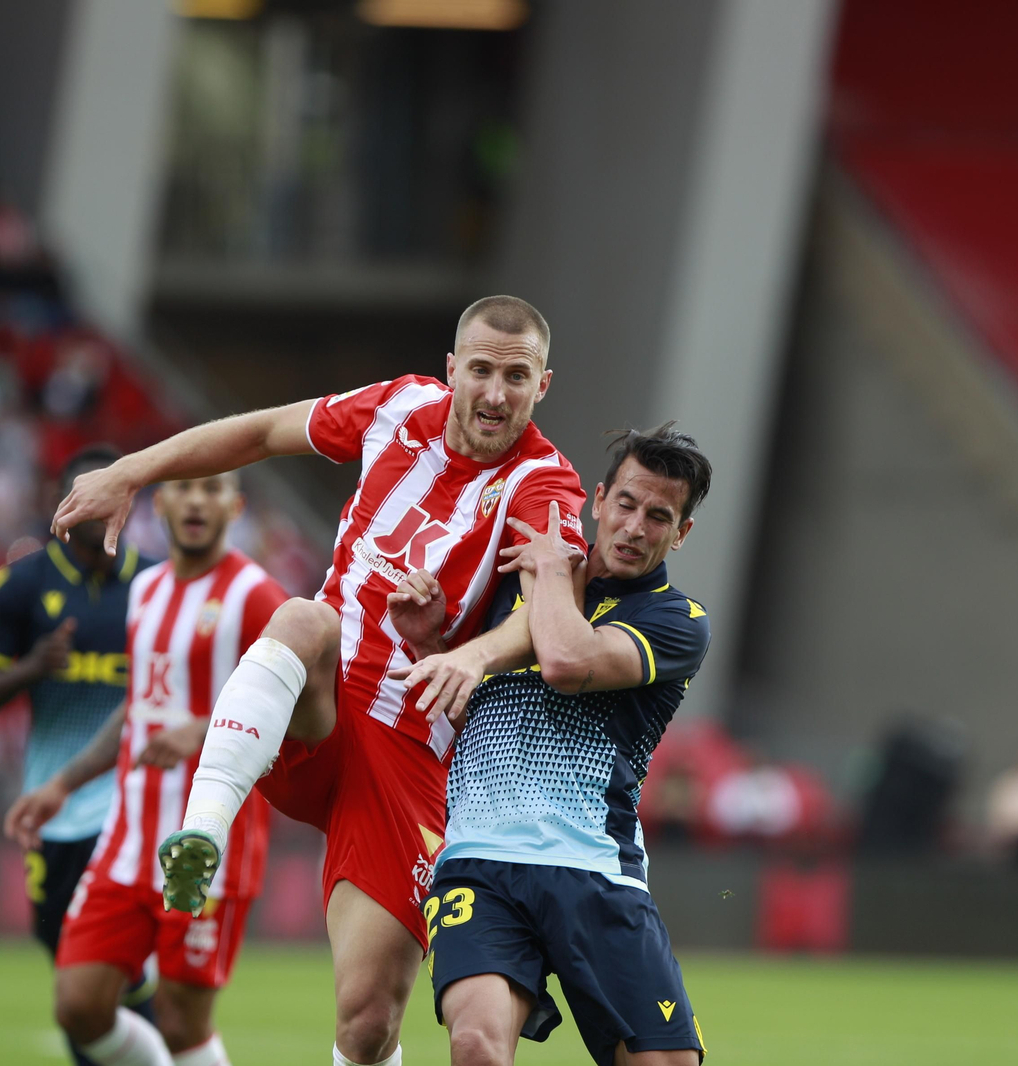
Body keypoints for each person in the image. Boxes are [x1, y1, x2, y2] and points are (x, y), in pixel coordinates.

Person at [53, 295, 589, 1066]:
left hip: (410, 746)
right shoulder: (398, 407)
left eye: (516, 375)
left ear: (542, 385)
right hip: (321, 698)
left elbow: (549, 610)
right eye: (480, 370)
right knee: (305, 619)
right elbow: (263, 431)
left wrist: (470, 654)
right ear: (452, 369)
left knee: (367, 1021)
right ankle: (203, 828)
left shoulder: (545, 483)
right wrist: (130, 472)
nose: (495, 393)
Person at [407, 424, 713, 1066]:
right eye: (626, 504)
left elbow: (567, 663)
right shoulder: (502, 585)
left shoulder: (675, 621)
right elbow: (470, 695)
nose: (634, 527)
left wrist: (549, 574)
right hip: (479, 862)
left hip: (596, 868)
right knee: (475, 1045)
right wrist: (436, 641)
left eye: (659, 516)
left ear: (681, 532)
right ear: (598, 501)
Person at [8, 472, 288, 1066]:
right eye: (184, 488)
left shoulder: (255, 596)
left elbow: (306, 712)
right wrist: (62, 784)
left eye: (212, 489)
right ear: (158, 503)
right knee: (78, 1005)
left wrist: (207, 727)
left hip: (206, 846)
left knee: (183, 1022)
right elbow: (137, 708)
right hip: (127, 841)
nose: (196, 500)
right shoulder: (146, 590)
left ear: (234, 507)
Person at [0, 444, 157, 1066]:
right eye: (84, 496)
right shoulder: (23, 585)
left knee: (119, 965)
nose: (97, 510)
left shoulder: (156, 586)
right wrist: (32, 668)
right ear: (63, 505)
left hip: (134, 808)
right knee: (68, 962)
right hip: (54, 808)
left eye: (110, 494)